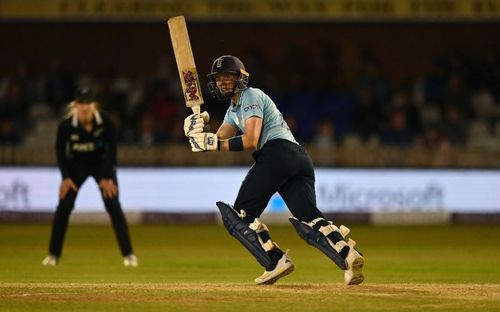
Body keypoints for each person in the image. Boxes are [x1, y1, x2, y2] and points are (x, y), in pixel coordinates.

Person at [184, 55, 364, 285]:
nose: (223, 82)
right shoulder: (232, 111)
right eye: (219, 79)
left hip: (277, 154)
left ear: (241, 78)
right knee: (310, 220)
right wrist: (197, 132)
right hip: (298, 159)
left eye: (228, 77)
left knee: (240, 217)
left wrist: (210, 143)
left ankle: (275, 261)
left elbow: (250, 140)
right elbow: (218, 141)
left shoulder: (251, 95)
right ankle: (349, 256)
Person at [42, 87, 138, 267]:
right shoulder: (66, 126)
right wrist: (65, 178)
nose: (84, 108)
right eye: (80, 104)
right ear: (75, 105)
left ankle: (129, 255)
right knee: (64, 206)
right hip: (75, 168)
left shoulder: (106, 122)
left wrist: (108, 176)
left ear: (94, 105)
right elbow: (60, 152)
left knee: (113, 205)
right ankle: (53, 255)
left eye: (87, 103)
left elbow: (112, 151)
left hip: (102, 166)